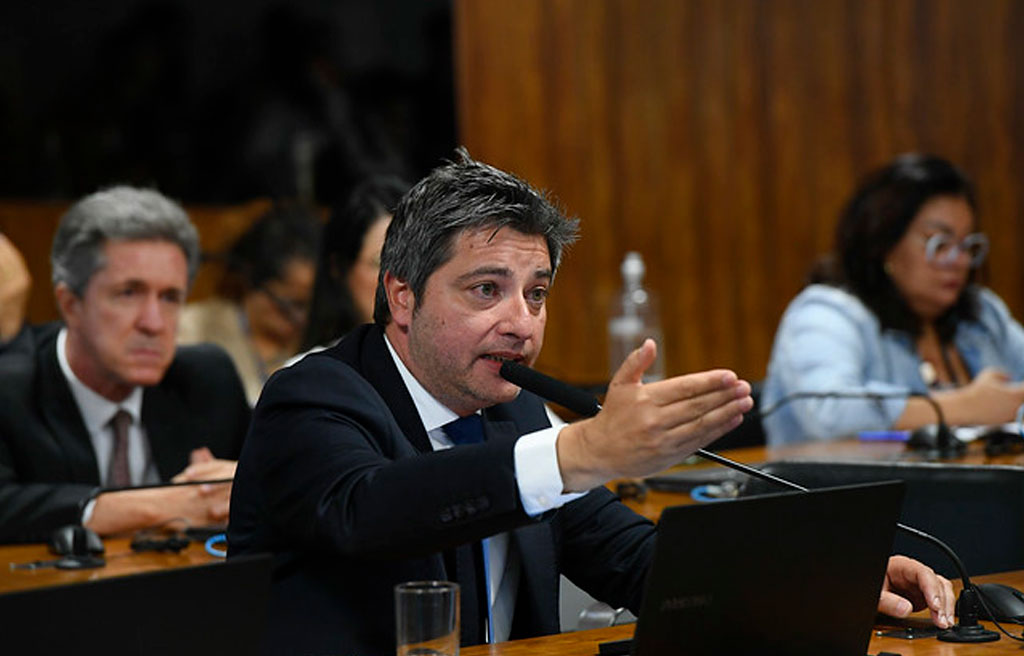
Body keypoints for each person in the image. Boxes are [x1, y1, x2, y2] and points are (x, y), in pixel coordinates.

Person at [228, 151, 955, 655]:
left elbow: (639, 561)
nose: (522, 320)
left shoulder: (508, 409)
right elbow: (370, 510)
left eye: (536, 293)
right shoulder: (313, 396)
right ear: (403, 296)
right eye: (486, 289)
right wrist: (584, 449)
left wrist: (828, 584)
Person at [0, 186, 250, 543]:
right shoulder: (12, 388)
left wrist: (246, 480)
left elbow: (290, 476)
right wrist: (162, 504)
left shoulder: (207, 379)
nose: (154, 323)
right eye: (129, 293)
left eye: (170, 298)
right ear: (70, 304)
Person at [762, 154, 1024, 445]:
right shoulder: (827, 312)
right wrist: (965, 407)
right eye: (939, 243)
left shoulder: (983, 313)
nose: (958, 260)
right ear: (885, 242)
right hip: (854, 489)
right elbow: (829, 412)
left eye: (966, 244)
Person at [177, 203, 321, 405]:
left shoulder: (323, 340)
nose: (303, 317)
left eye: (312, 305)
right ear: (252, 282)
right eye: (291, 304)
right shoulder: (192, 330)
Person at [300, 175, 408, 352]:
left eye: (411, 259)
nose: (401, 280)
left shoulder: (455, 364)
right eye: (380, 262)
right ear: (338, 268)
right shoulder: (309, 374)